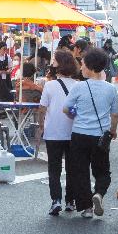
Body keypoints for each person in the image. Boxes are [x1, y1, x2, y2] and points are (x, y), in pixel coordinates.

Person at [63, 49, 118, 219]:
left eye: (83, 64)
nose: (81, 67)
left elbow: (66, 109)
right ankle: (99, 194)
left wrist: (76, 113)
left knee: (80, 171)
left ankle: (86, 208)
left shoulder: (78, 87)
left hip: (79, 134)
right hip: (101, 136)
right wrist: (113, 131)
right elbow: (114, 114)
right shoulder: (110, 89)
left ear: (89, 67)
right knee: (102, 171)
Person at [37, 50, 80, 215]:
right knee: (72, 168)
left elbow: (42, 109)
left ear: (59, 65)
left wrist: (41, 126)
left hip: (53, 132)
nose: (52, 63)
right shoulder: (78, 86)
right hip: (73, 132)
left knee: (54, 168)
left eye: (54, 61)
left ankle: (56, 201)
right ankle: (71, 201)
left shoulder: (49, 85)